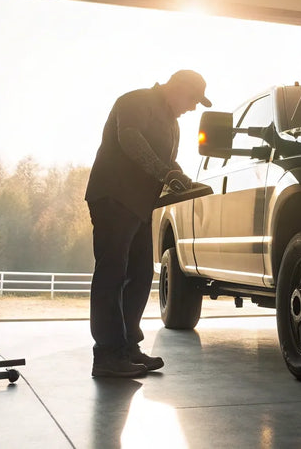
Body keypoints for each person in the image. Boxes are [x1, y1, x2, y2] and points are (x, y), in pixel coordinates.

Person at [84, 69, 212, 378]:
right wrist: (165, 173)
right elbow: (131, 139)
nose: (193, 107)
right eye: (192, 99)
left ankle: (128, 347)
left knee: (140, 274)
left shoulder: (173, 124)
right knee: (112, 273)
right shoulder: (136, 101)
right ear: (176, 87)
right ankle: (107, 355)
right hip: (113, 197)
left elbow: (165, 161)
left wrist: (180, 177)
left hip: (140, 206)